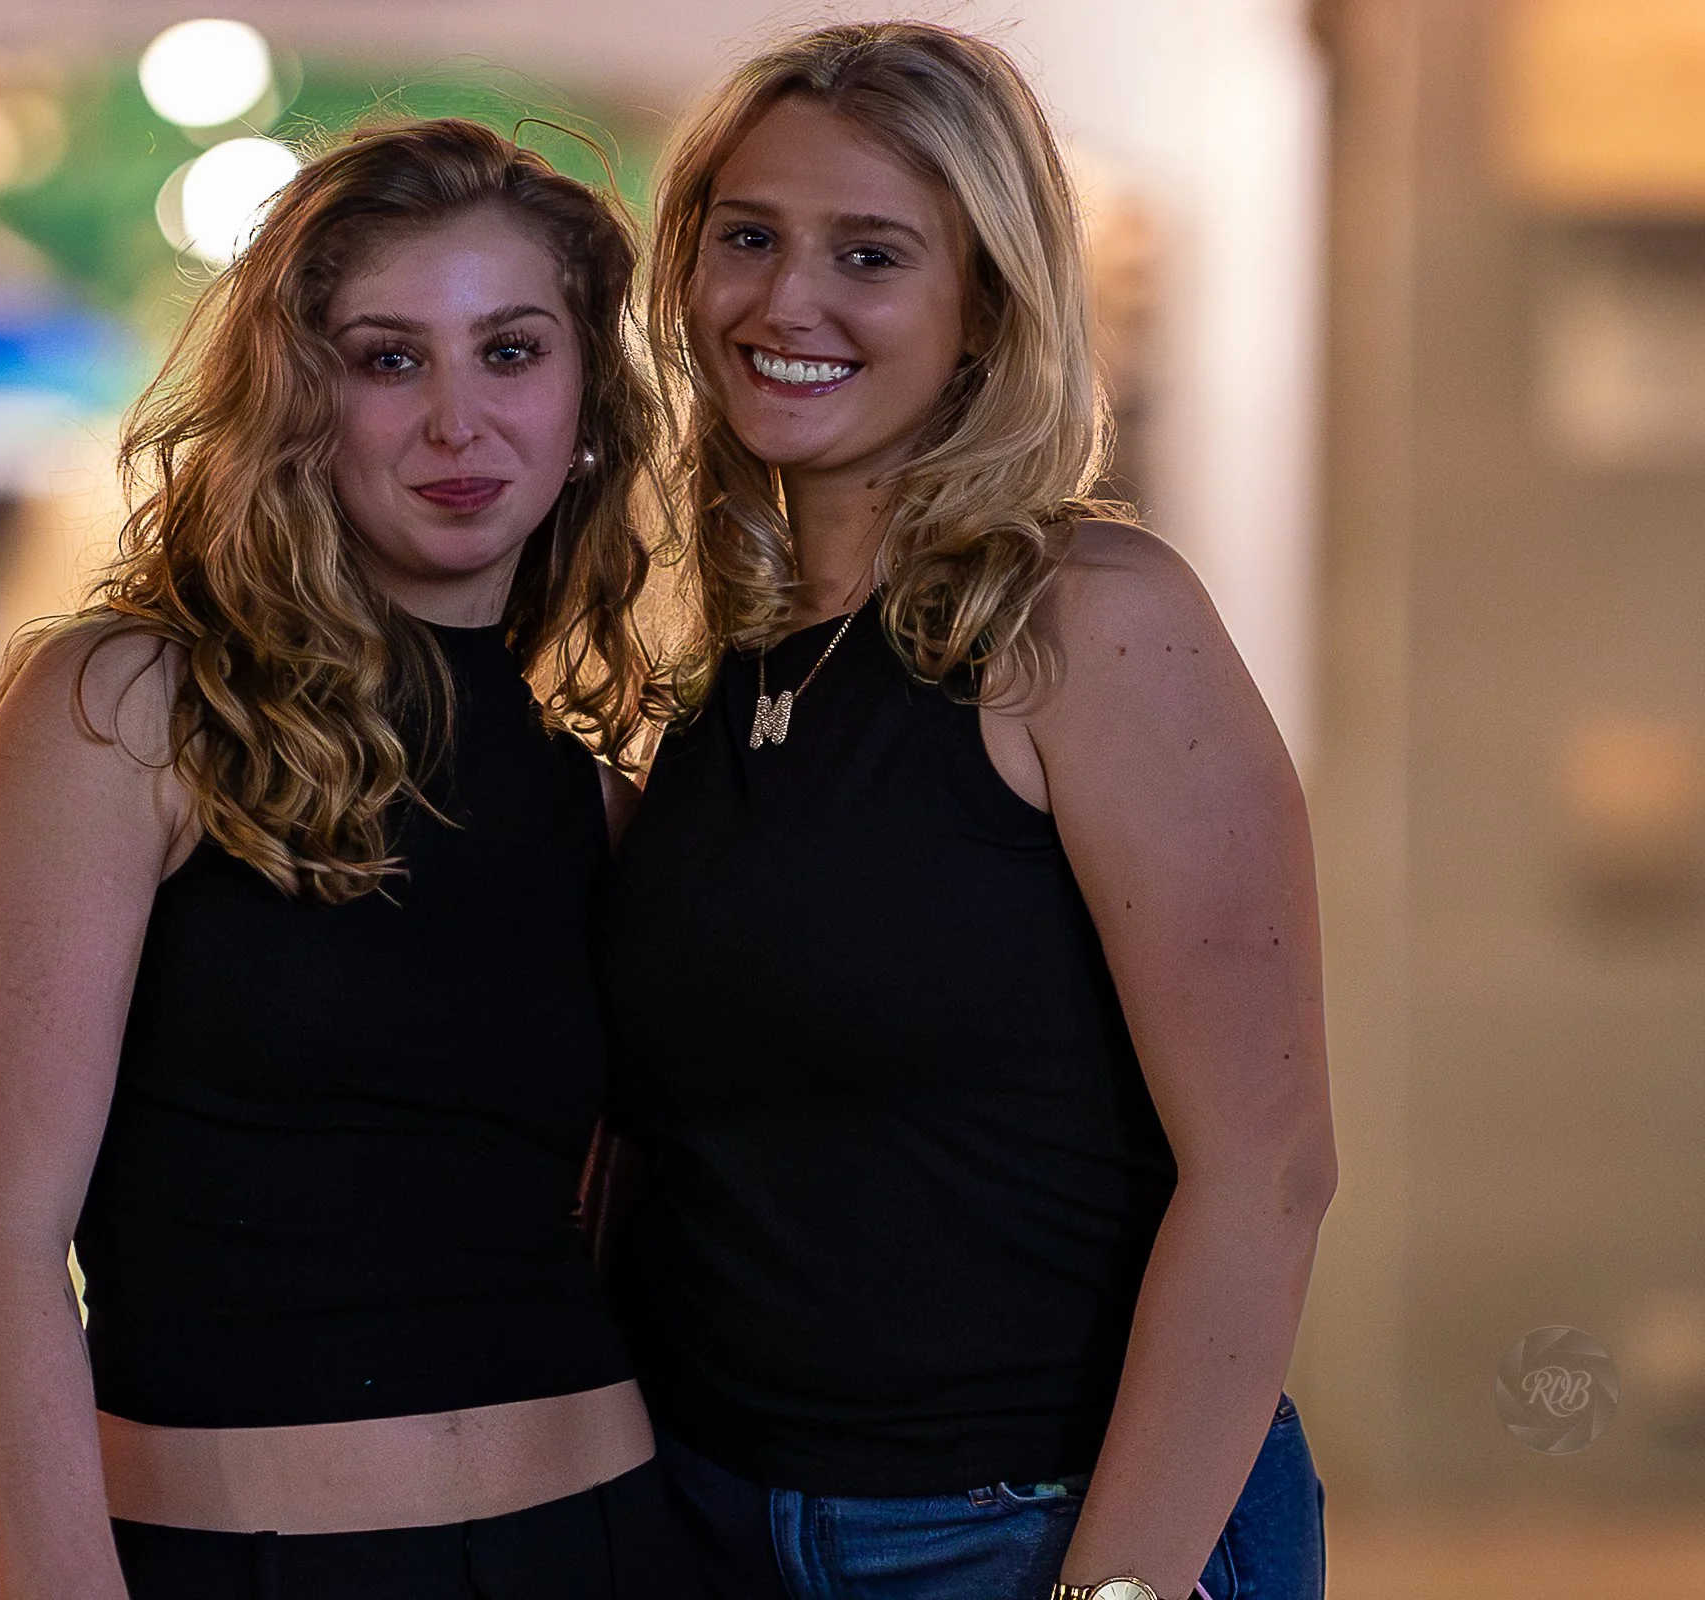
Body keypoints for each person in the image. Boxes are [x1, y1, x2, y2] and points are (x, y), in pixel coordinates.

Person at [0, 119, 692, 1600]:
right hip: (245, 1561)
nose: (458, 421)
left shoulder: (600, 803)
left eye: (511, 351)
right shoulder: (131, 708)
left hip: (607, 1544)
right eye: (388, 358)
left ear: (588, 396)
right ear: (297, 402)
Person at [600, 24, 1336, 1600]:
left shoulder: (1090, 621)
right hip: (723, 1515)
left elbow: (1268, 1175)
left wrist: (1114, 1590)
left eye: (869, 255)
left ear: (987, 308)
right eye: (749, 238)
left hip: (1025, 1530)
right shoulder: (739, 668)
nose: (786, 302)